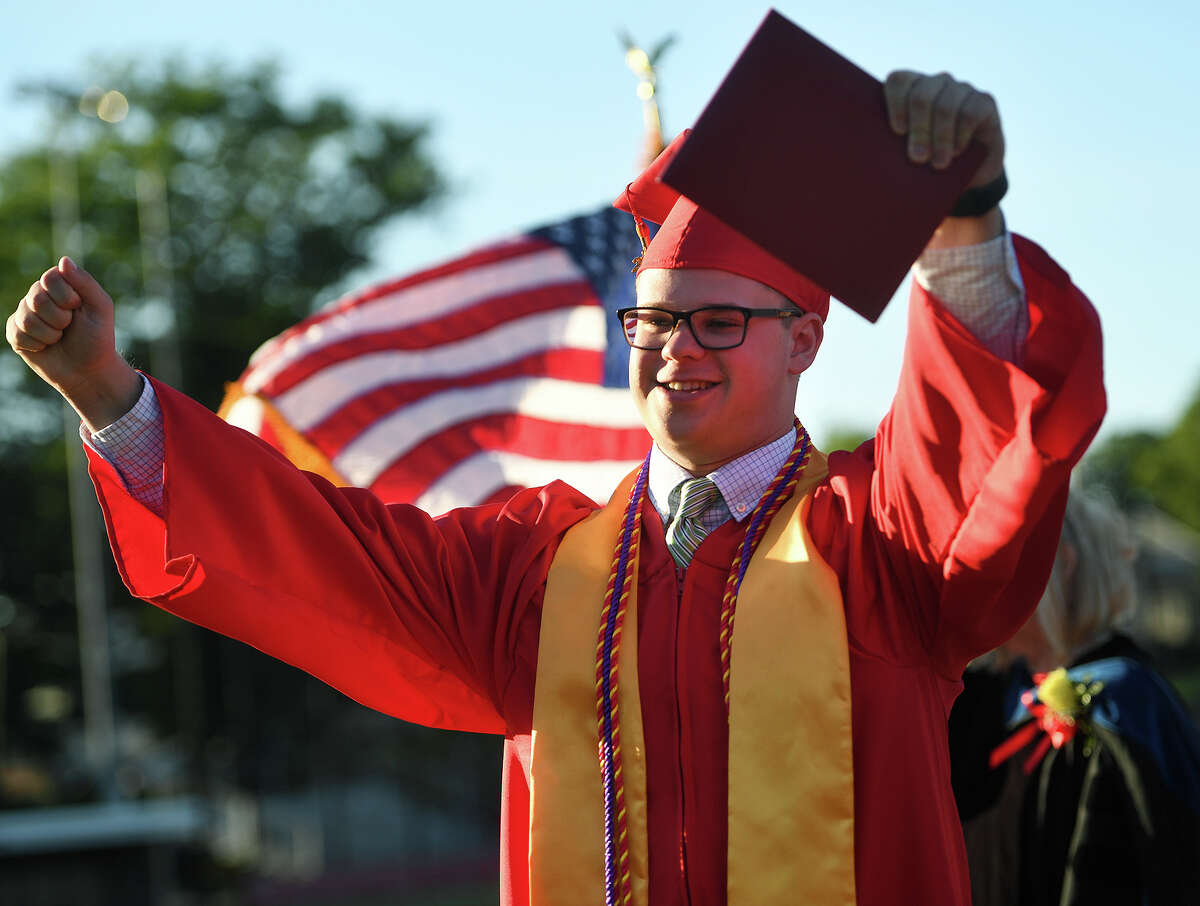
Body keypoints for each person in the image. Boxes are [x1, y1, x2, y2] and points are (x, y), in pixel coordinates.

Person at [7, 70, 1105, 906]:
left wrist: (965, 223)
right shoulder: (535, 570)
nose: (676, 350)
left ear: (805, 341)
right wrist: (111, 395)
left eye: (719, 322)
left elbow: (979, 450)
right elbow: (325, 549)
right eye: (654, 322)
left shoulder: (882, 545)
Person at [949, 488, 1200, 906]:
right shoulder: (977, 699)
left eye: (998, 560)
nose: (979, 579)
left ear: (1060, 562)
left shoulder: (1127, 704)